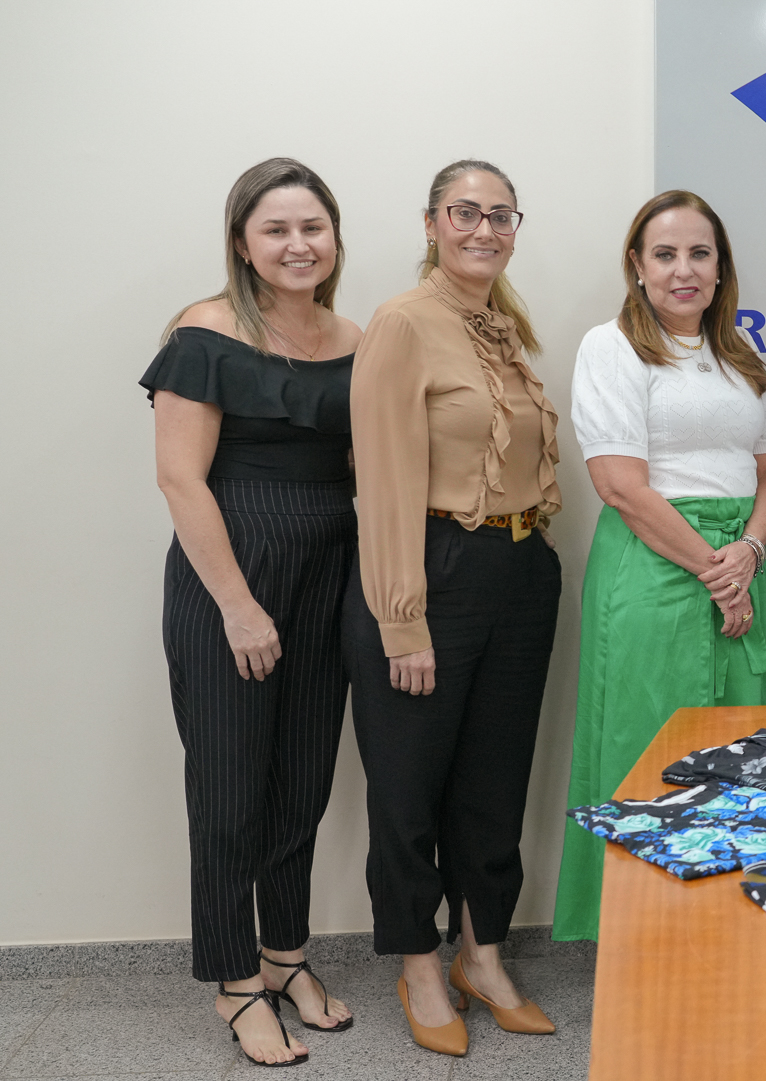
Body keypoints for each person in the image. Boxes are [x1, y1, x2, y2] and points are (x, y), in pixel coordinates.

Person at [142, 157, 360, 1068]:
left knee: (303, 782)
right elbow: (179, 476)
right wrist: (238, 607)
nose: (297, 244)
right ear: (243, 241)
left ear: (335, 237)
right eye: (276, 229)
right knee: (230, 789)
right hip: (230, 576)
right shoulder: (207, 329)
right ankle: (237, 984)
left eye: (312, 227)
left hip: (327, 571)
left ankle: (286, 956)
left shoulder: (357, 336)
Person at [343, 160, 563, 1056]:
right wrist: (403, 617)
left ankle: (483, 953)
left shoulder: (502, 326)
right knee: (408, 790)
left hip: (518, 572)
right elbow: (384, 482)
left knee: (494, 782)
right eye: (465, 212)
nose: (484, 228)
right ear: (431, 222)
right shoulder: (402, 322)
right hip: (428, 570)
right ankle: (418, 961)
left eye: (500, 214)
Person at [554, 190, 766, 940]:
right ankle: (639, 933)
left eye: (700, 254)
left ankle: (717, 926)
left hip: (741, 564)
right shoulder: (611, 346)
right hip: (655, 566)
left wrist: (747, 551)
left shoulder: (742, 357)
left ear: (721, 269)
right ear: (637, 266)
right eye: (665, 254)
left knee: (737, 748)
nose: (683, 270)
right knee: (646, 745)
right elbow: (620, 485)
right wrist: (714, 569)